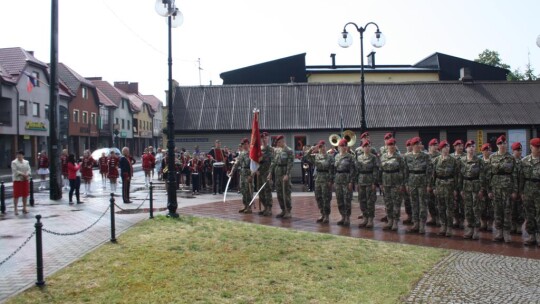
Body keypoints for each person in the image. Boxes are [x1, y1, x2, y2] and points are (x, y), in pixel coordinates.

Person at [487, 135, 518, 243]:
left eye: (504, 143)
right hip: (496, 188)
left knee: (508, 211)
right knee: (497, 210)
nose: (502, 145)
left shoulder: (511, 158)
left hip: (507, 188)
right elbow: (488, 175)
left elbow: (514, 175)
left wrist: (515, 190)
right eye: (500, 143)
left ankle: (506, 232)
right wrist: (489, 190)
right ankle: (499, 231)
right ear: (497, 145)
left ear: (506, 144)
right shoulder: (492, 157)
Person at [431, 140, 461, 237]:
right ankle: (443, 226)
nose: (446, 148)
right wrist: (433, 187)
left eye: (448, 147)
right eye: (444, 147)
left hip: (450, 186)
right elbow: (433, 175)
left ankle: (449, 227)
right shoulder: (436, 160)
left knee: (450, 208)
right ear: (441, 149)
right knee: (441, 207)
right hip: (439, 185)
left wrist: (456, 189)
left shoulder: (453, 160)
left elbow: (457, 176)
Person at [403, 137, 432, 234]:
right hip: (412, 182)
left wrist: (428, 184)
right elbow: (406, 171)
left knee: (422, 204)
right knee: (414, 203)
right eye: (415, 144)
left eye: (419, 144)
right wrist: (406, 183)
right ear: (412, 146)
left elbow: (429, 171)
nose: (417, 146)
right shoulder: (407, 156)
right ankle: (415, 223)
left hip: (422, 182)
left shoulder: (426, 156)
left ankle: (422, 224)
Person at [459, 140, 486, 240]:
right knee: (468, 209)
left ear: (475, 148)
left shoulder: (479, 161)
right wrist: (460, 189)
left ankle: (476, 230)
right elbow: (460, 176)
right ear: (466, 149)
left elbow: (482, 176)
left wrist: (481, 189)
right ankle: (470, 228)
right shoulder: (461, 160)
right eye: (469, 146)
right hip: (466, 187)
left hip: (476, 187)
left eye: (473, 146)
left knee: (476, 209)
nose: (471, 148)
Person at [305, 140, 335, 223]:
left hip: (326, 179)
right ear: (319, 148)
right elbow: (306, 157)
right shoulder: (316, 156)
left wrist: (331, 180)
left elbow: (332, 170)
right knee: (318, 197)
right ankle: (322, 213)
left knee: (326, 198)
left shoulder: (330, 157)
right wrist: (311, 149)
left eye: (324, 146)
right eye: (320, 147)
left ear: (326, 147)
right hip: (318, 179)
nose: (322, 148)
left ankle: (327, 215)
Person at [380, 138, 406, 231]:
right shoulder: (383, 157)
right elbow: (380, 170)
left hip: (396, 183)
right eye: (389, 145)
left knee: (396, 203)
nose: (391, 146)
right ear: (387, 146)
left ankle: (395, 221)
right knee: (388, 203)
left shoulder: (399, 157)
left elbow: (403, 171)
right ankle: (389, 220)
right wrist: (380, 183)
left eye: (393, 145)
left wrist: (402, 184)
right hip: (386, 183)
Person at [519, 138, 540, 246]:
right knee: (529, 214)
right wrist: (521, 192)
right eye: (537, 147)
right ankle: (531, 236)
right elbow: (521, 178)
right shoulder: (525, 161)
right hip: (528, 189)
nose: (538, 149)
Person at [268, 135, 294, 219]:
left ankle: (288, 211)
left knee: (286, 193)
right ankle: (283, 210)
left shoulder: (289, 150)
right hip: (277, 173)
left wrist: (287, 174)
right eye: (277, 142)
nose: (277, 144)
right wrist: (270, 173)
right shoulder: (277, 150)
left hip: (284, 173)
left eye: (279, 142)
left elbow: (290, 164)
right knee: (279, 193)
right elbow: (273, 162)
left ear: (283, 141)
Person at [355, 140, 378, 228]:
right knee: (362, 200)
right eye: (365, 146)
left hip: (370, 180)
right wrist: (357, 182)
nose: (367, 148)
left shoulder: (373, 157)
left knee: (370, 201)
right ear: (362, 148)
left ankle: (370, 219)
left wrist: (374, 182)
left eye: (368, 146)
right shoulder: (359, 157)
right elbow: (357, 170)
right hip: (361, 181)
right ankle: (365, 218)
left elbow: (375, 170)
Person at [231, 138, 253, 213]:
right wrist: (232, 171)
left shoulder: (251, 153)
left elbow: (254, 165)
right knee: (243, 190)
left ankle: (249, 207)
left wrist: (251, 175)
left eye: (246, 144)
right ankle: (245, 205)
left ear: (248, 144)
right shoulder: (242, 153)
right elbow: (237, 163)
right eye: (243, 144)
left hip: (249, 173)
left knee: (249, 191)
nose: (244, 146)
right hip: (243, 173)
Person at [257, 132, 274, 216]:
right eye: (263, 138)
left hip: (267, 173)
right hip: (260, 173)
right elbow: (256, 161)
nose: (264, 139)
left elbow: (273, 162)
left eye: (266, 138)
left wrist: (270, 172)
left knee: (267, 191)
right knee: (260, 191)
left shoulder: (271, 149)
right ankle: (265, 207)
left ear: (268, 139)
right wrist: (256, 170)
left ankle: (269, 208)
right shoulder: (259, 149)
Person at [510, 142, 524, 236]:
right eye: (517, 150)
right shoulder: (509, 161)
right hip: (510, 189)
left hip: (521, 188)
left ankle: (519, 225)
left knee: (520, 208)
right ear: (513, 151)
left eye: (520, 150)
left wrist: (521, 190)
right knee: (511, 207)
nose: (519, 152)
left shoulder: (524, 161)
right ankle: (512, 225)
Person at [451, 139, 466, 229]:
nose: (460, 147)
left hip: (464, 182)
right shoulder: (451, 157)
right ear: (455, 147)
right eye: (458, 145)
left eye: (461, 145)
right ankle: (456, 219)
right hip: (453, 182)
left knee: (463, 203)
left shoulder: (466, 156)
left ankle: (462, 221)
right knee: (454, 203)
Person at [11, 150, 31, 215]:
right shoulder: (14, 162)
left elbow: (29, 169)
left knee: (25, 194)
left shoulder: (26, 162)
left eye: (20, 154)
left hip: (25, 180)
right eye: (18, 154)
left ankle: (24, 207)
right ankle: (15, 209)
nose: (19, 156)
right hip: (17, 180)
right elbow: (15, 171)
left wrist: (27, 174)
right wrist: (22, 174)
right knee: (16, 195)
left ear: (23, 155)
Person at [426, 138, 441, 226]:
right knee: (430, 201)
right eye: (433, 145)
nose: (435, 147)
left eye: (436, 145)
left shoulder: (440, 156)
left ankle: (439, 219)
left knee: (438, 201)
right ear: (430, 146)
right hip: (428, 183)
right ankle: (433, 218)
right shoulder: (426, 156)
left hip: (437, 182)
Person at [480, 143, 494, 232]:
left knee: (491, 207)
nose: (487, 151)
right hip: (482, 187)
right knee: (482, 206)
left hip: (491, 187)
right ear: (482, 151)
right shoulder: (479, 162)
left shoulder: (493, 162)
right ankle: (483, 223)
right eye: (485, 150)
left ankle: (490, 224)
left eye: (489, 150)